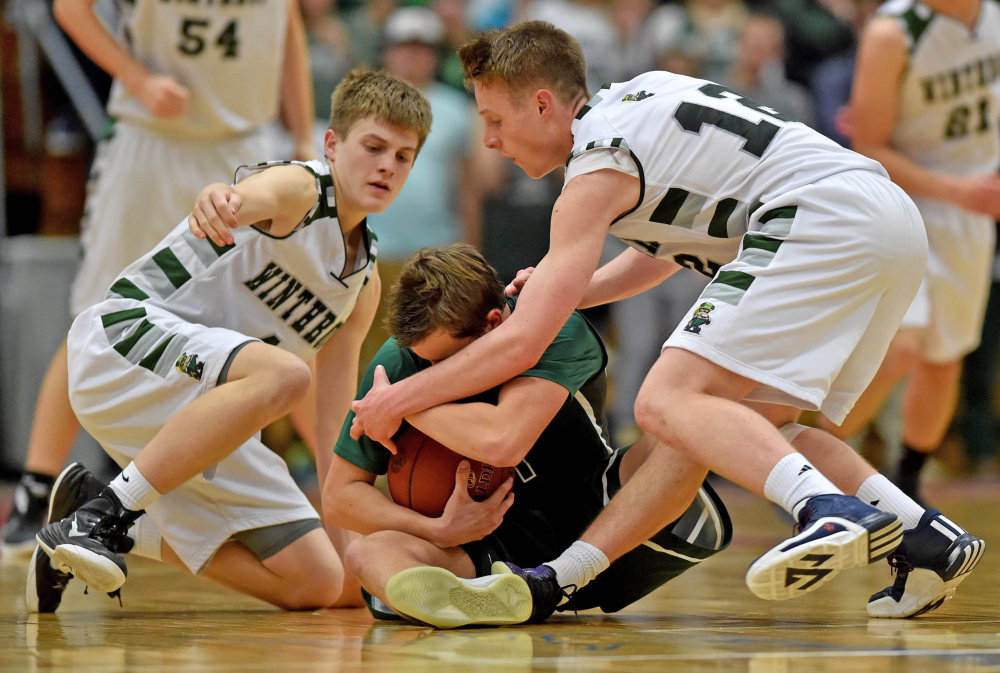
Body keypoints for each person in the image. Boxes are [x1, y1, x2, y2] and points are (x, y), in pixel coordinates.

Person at [348, 20, 984, 622]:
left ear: (542, 105)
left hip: (815, 219)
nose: (489, 139)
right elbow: (665, 248)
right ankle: (926, 537)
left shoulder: (593, 169)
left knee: (665, 401)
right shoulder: (641, 97)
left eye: (494, 119)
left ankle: (822, 507)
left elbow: (521, 342)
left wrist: (398, 399)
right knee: (747, 424)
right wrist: (568, 289)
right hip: (888, 219)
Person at [26, 69, 433, 614]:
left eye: (404, 156)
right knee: (288, 374)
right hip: (126, 343)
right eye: (374, 147)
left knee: (327, 584)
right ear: (333, 144)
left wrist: (356, 537)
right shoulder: (302, 190)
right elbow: (243, 196)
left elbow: (331, 424)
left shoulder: (363, 284)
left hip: (206, 414)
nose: (387, 166)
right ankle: (104, 517)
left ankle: (89, 514)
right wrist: (218, 195)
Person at [1, 0, 316, 556]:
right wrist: (137, 78)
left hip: (244, 149)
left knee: (277, 325)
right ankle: (37, 492)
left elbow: (286, 23)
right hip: (151, 144)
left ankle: (331, 485)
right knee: (97, 318)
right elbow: (70, 8)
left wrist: (302, 134)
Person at [326, 244, 731, 628]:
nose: (430, 372)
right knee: (365, 554)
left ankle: (556, 577)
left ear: (494, 323)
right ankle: (484, 606)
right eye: (423, 362)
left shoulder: (556, 327)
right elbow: (340, 497)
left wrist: (400, 403)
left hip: (596, 517)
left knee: (686, 419)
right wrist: (438, 530)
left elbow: (503, 441)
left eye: (445, 361)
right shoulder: (402, 359)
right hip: (490, 547)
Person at [817, 0, 1000, 504]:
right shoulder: (894, 32)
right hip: (903, 202)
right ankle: (806, 457)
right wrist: (956, 189)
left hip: (970, 209)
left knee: (944, 360)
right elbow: (870, 146)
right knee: (902, 346)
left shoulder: (992, 19)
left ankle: (909, 485)